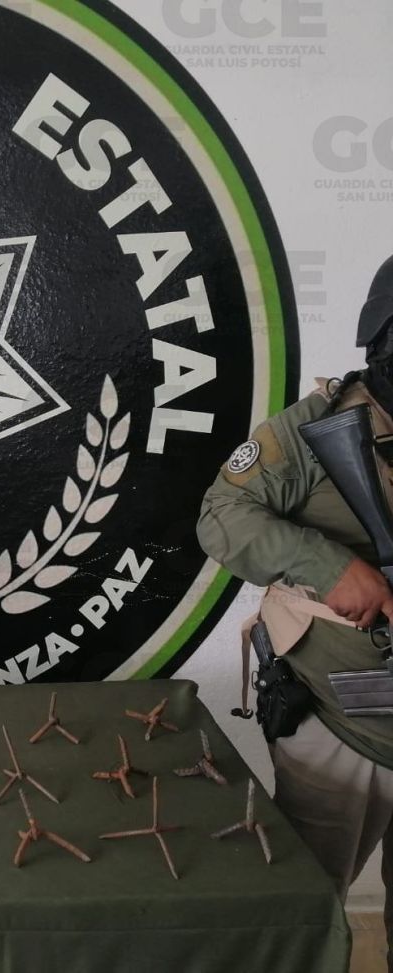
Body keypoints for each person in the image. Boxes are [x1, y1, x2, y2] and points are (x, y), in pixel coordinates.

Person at [198, 253, 393, 970]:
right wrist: (330, 566)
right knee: (306, 916)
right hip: (342, 726)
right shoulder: (319, 430)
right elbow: (222, 515)